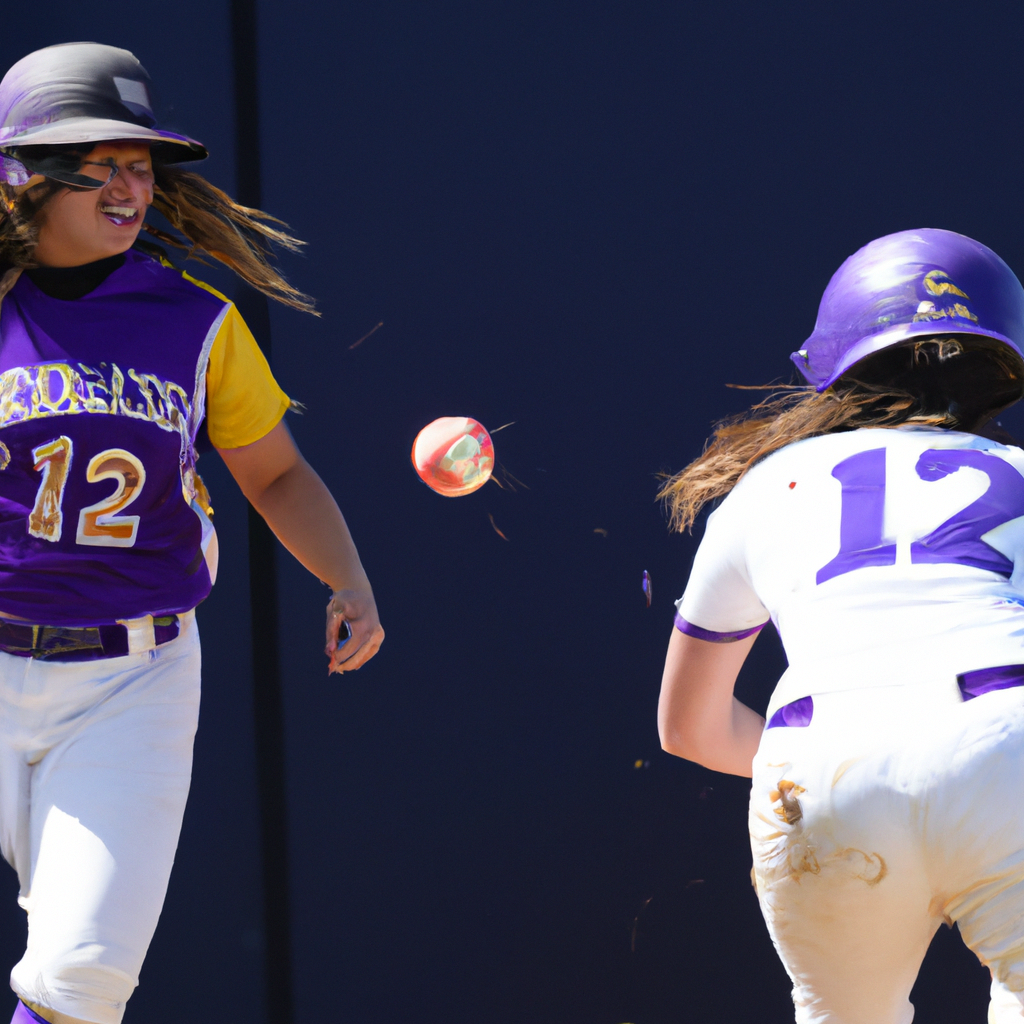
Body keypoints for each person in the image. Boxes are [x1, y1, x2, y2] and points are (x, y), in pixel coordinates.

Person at [0, 42, 384, 1024]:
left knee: (80, 979)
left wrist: (347, 578)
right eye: (107, 159)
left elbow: (278, 471)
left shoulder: (196, 322)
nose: (135, 183)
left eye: (144, 163)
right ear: (24, 174)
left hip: (132, 680)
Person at [657, 227, 1024, 1023]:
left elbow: (688, 728)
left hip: (815, 759)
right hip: (1006, 734)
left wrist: (855, 744)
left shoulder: (767, 484)